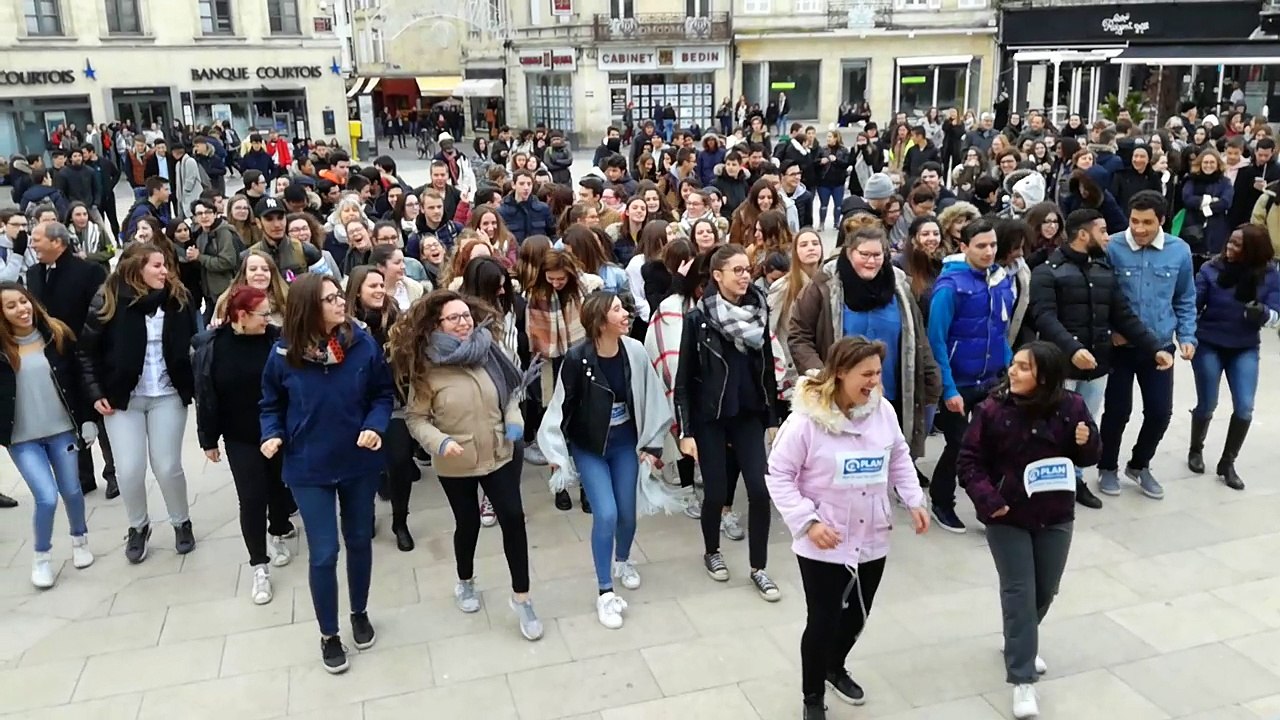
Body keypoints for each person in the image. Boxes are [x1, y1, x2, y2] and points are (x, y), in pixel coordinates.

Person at [767, 337, 930, 719]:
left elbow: (899, 456)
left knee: (857, 614)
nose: (874, 381)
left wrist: (913, 499)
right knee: (823, 619)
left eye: (877, 373)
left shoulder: (883, 412)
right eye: (866, 373)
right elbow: (778, 475)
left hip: (872, 532)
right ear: (840, 373)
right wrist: (807, 521)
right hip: (825, 538)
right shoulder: (806, 421)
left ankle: (833, 666)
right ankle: (812, 697)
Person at [958, 341, 1101, 720]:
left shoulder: (1072, 407)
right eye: (1014, 365)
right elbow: (969, 463)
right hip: (1007, 517)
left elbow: (1088, 456)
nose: (1013, 372)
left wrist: (1088, 443)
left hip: (1055, 514)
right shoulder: (991, 411)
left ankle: (1020, 639)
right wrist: (990, 502)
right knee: (1019, 591)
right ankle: (1022, 680)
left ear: (1045, 376)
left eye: (1024, 367)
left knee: (1045, 589)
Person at [259, 273, 395, 674]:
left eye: (340, 295)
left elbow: (382, 394)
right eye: (331, 298)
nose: (341, 303)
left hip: (358, 462)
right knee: (324, 552)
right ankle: (329, 634)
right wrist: (273, 435)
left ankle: (359, 611)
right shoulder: (283, 354)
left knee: (358, 540)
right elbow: (270, 404)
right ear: (308, 308)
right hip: (308, 467)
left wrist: (375, 424)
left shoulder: (361, 343)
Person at [390, 290, 544, 641]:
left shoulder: (487, 350)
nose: (464, 323)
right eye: (454, 318)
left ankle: (522, 597)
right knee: (468, 523)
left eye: (466, 316)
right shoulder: (426, 366)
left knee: (513, 519)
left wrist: (514, 418)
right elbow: (416, 418)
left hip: (500, 451)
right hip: (455, 459)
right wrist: (439, 442)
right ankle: (465, 581)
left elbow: (509, 393)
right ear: (437, 325)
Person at [538, 291, 681, 628]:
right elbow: (560, 407)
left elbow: (652, 395)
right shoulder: (577, 359)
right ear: (601, 320)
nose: (625, 314)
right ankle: (605, 592)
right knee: (606, 513)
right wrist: (557, 452)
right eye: (617, 310)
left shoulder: (634, 350)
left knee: (628, 514)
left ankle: (623, 559)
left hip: (624, 442)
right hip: (589, 447)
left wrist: (653, 443)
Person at [1029, 209, 1173, 508]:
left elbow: (1124, 317)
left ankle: (1076, 479)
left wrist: (1153, 347)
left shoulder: (1103, 271)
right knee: (1051, 425)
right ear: (1084, 234)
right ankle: (1044, 484)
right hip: (1062, 367)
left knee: (1085, 423)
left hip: (1097, 367)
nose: (1109, 237)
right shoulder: (1047, 271)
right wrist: (1072, 349)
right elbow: (1043, 317)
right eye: (1103, 231)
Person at [787, 226, 941, 477]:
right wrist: (820, 374)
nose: (871, 261)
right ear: (849, 253)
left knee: (881, 467)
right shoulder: (824, 286)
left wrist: (932, 380)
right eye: (864, 254)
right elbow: (799, 334)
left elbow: (918, 338)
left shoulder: (900, 289)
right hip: (841, 399)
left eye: (877, 255)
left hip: (889, 395)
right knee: (843, 469)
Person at [78, 242, 198, 563]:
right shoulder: (108, 300)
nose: (165, 271)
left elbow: (192, 345)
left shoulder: (177, 300)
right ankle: (138, 526)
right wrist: (95, 393)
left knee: (167, 465)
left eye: (165, 265)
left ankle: (180, 521)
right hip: (122, 399)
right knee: (129, 470)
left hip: (168, 395)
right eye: (157, 266)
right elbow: (86, 353)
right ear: (135, 269)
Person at [673, 244, 781, 600]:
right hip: (711, 417)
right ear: (717, 276)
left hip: (748, 414)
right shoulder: (698, 318)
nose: (745, 275)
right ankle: (712, 551)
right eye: (736, 270)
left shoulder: (758, 309)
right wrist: (686, 431)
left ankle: (758, 567)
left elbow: (766, 367)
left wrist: (772, 417)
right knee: (716, 491)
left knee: (760, 490)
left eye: (747, 268)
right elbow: (684, 380)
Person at [192, 285, 296, 605]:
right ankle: (259, 565)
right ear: (241, 316)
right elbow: (205, 395)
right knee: (251, 498)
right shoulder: (212, 347)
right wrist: (207, 439)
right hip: (239, 436)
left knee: (280, 489)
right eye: (262, 314)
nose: (268, 319)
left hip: (278, 432)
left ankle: (278, 530)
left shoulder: (275, 340)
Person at [1098, 191, 1197, 499]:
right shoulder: (1112, 246)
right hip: (1120, 347)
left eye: (1147, 223)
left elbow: (1185, 298)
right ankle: (1107, 466)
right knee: (1117, 411)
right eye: (1134, 221)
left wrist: (1188, 336)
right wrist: (1110, 330)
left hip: (1160, 346)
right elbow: (1100, 296)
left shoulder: (1179, 251)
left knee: (1159, 411)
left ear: (1162, 221)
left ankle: (1139, 464)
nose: (1139, 229)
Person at [0, 282, 95, 587]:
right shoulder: (2, 350)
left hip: (62, 431)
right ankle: (42, 557)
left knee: (71, 490)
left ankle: (80, 540)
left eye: (23, 301)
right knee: (45, 498)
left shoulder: (56, 334)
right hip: (23, 440)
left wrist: (88, 420)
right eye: (10, 306)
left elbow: (79, 379)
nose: (21, 309)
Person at [926, 219, 1014, 533]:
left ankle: (986, 501)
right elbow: (936, 340)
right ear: (964, 247)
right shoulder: (950, 287)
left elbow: (1001, 331)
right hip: (958, 382)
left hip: (990, 379)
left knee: (989, 444)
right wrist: (948, 389)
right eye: (981, 246)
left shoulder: (1001, 280)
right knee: (960, 444)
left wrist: (1012, 368)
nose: (989, 251)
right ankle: (941, 500)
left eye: (992, 245)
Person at [24, 221, 113, 498]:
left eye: (37, 239)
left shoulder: (88, 271)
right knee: (69, 417)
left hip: (86, 356)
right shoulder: (35, 273)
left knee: (100, 416)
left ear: (57, 243)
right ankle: (82, 477)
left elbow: (100, 313)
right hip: (53, 358)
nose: (32, 244)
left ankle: (114, 474)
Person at [1187, 224, 1280, 489]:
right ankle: (1196, 448)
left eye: (1237, 245)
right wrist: (1188, 333)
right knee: (1207, 403)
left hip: (1245, 346)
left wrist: (1262, 313)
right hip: (1209, 342)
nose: (1229, 248)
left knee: (1245, 407)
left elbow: (1276, 314)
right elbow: (1193, 305)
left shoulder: (1269, 274)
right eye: (1230, 242)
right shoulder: (1210, 269)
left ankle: (1227, 462)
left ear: (1252, 249)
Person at [345, 265, 417, 550]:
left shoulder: (398, 318)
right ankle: (367, 514)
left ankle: (400, 521)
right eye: (371, 286)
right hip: (357, 406)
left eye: (380, 285)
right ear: (357, 290)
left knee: (400, 461)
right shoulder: (344, 326)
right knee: (365, 465)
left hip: (396, 399)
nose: (378, 290)